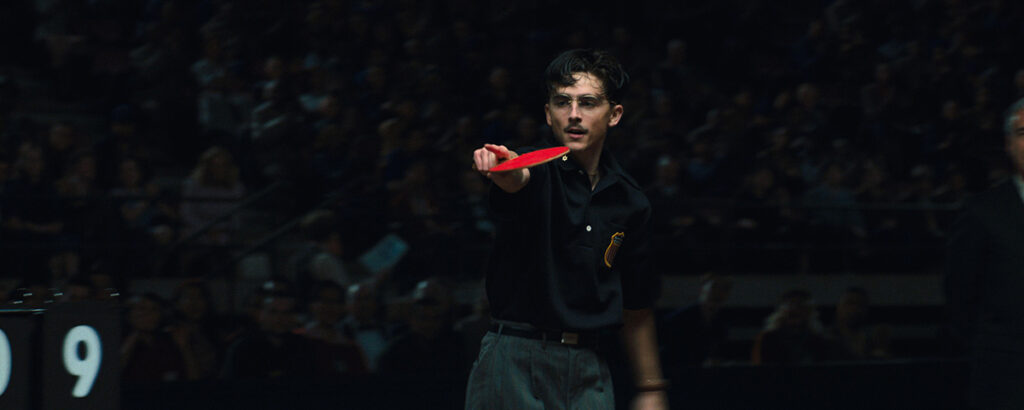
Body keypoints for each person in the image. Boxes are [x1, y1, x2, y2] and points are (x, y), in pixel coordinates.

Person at [466, 49, 666, 410]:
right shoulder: (534, 169)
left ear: (614, 114)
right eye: (562, 102)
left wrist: (651, 388)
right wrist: (504, 170)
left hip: (589, 366)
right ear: (548, 113)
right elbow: (516, 177)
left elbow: (637, 305)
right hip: (514, 359)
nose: (574, 114)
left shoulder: (631, 201)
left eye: (587, 103)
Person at [947, 97, 1024, 410]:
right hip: (1006, 381)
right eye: (1023, 133)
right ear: (1008, 144)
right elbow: (959, 295)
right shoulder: (982, 212)